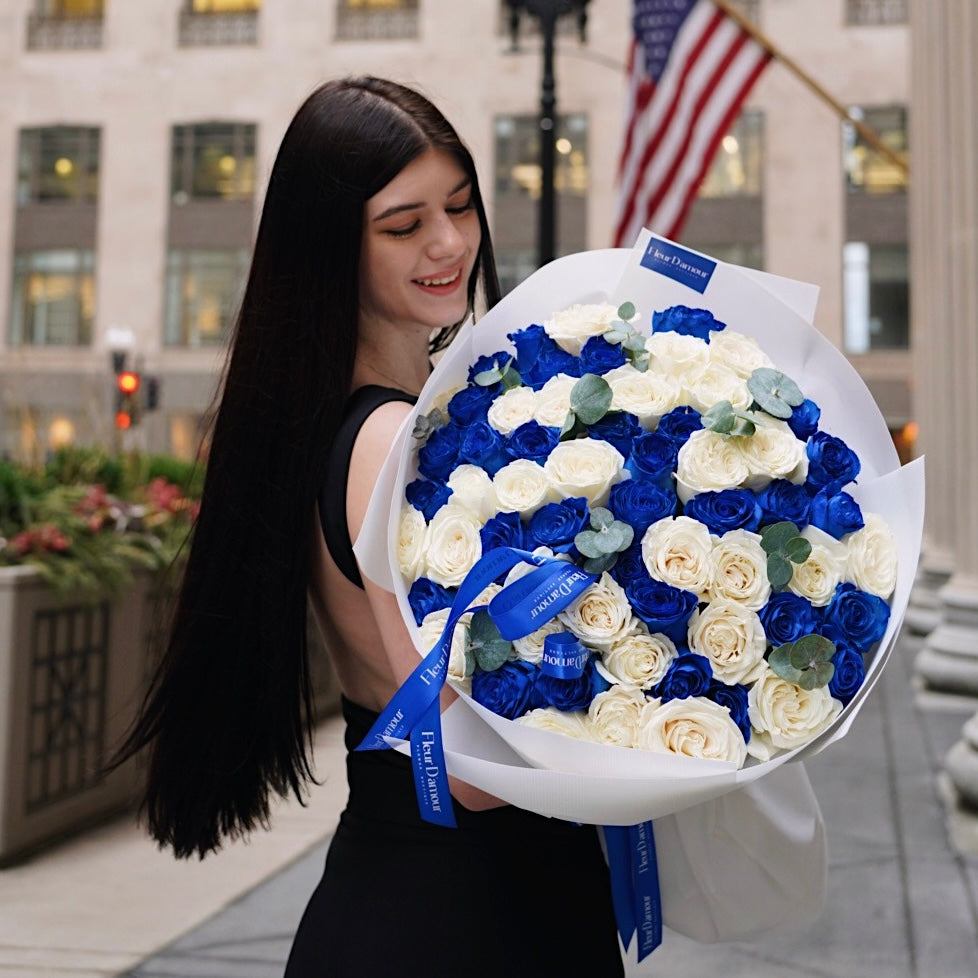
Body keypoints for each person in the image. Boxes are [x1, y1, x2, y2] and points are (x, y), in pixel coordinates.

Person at [114, 77, 625, 976]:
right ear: (330, 247)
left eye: (460, 206)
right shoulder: (389, 438)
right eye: (403, 225)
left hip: (433, 894)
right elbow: (464, 769)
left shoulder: (355, 418)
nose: (449, 243)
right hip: (462, 918)